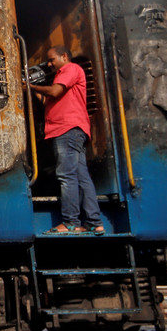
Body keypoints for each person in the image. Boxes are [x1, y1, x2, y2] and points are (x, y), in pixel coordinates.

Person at [30, 46, 105, 235]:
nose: (49, 64)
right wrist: (33, 89)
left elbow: (54, 92)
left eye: (51, 59)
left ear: (64, 56)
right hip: (71, 130)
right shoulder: (62, 76)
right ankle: (94, 222)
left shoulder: (70, 69)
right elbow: (50, 100)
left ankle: (70, 222)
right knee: (81, 176)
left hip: (67, 129)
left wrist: (31, 86)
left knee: (66, 176)